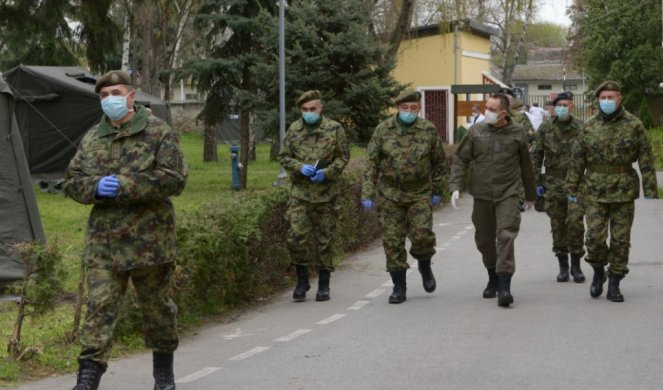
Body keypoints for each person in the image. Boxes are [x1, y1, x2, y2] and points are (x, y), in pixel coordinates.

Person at [63, 70, 188, 390]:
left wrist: (124, 184)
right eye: (103, 96)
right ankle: (86, 381)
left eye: (115, 93)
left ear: (131, 96)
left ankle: (164, 378)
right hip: (105, 244)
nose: (109, 100)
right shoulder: (93, 137)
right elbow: (72, 183)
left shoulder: (158, 132)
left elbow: (175, 179)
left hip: (150, 242)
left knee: (157, 311)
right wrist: (94, 187)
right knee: (98, 310)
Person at [566, 80, 657, 302]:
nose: (607, 101)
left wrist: (651, 188)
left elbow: (646, 157)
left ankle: (615, 281)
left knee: (620, 240)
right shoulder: (589, 126)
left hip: (623, 190)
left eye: (611, 97)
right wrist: (571, 186)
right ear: (598, 100)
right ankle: (598, 271)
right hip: (594, 190)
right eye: (603, 98)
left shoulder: (634, 125)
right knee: (594, 238)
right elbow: (577, 159)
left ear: (620, 99)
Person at [449, 93, 536, 308]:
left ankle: (505, 286)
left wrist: (532, 195)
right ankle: (492, 276)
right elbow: (461, 158)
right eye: (486, 107)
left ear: (503, 113)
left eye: (492, 109)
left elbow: (526, 164)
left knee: (505, 235)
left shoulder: (518, 132)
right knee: (484, 240)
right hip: (481, 194)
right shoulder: (476, 131)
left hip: (508, 193)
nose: (486, 111)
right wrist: (455, 186)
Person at [361, 88, 448, 304]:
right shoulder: (383, 130)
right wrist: (367, 192)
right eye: (404, 108)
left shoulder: (427, 130)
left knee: (422, 235)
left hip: (419, 193)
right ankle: (399, 287)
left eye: (413, 108)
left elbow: (439, 162)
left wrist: (438, 190)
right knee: (392, 240)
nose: (409, 111)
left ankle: (424, 265)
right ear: (398, 108)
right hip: (390, 194)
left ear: (419, 109)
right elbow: (371, 163)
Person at [279, 90, 350, 302]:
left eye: (313, 109)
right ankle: (302, 280)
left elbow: (343, 156)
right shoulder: (294, 129)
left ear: (321, 108)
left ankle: (324, 284)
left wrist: (327, 173)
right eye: (305, 110)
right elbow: (284, 156)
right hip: (300, 194)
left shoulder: (334, 129)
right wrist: (300, 167)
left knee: (325, 240)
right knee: (296, 237)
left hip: (326, 195)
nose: (309, 113)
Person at [531, 91, 586, 283]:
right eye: (559, 104)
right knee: (558, 226)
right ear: (554, 107)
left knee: (576, 223)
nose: (563, 107)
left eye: (566, 104)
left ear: (572, 106)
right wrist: (536, 182)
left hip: (576, 184)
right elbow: (536, 156)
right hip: (553, 184)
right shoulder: (545, 129)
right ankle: (563, 265)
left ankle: (576, 265)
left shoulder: (582, 128)